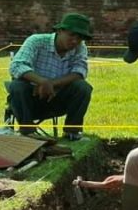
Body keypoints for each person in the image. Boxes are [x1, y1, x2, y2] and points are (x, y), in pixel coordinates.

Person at [6, 12, 94, 140]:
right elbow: (17, 66)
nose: (75, 41)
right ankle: (27, 132)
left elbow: (80, 72)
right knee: (17, 86)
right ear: (60, 31)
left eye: (80, 38)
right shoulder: (36, 41)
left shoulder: (80, 48)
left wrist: (50, 84)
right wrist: (41, 81)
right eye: (71, 35)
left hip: (57, 99)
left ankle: (72, 132)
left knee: (83, 87)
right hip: (30, 98)